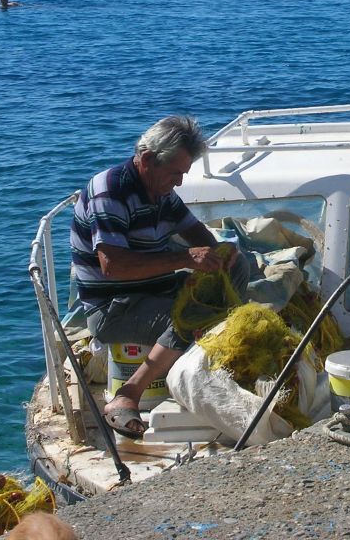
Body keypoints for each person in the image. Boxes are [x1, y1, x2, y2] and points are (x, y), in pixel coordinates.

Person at [69, 115, 248, 438]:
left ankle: (203, 360)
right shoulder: (109, 192)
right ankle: (129, 394)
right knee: (196, 316)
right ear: (148, 159)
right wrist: (185, 258)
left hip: (157, 289)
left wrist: (220, 253)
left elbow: (197, 235)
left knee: (238, 266)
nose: (178, 182)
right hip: (114, 306)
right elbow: (114, 267)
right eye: (175, 173)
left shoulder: (161, 193)